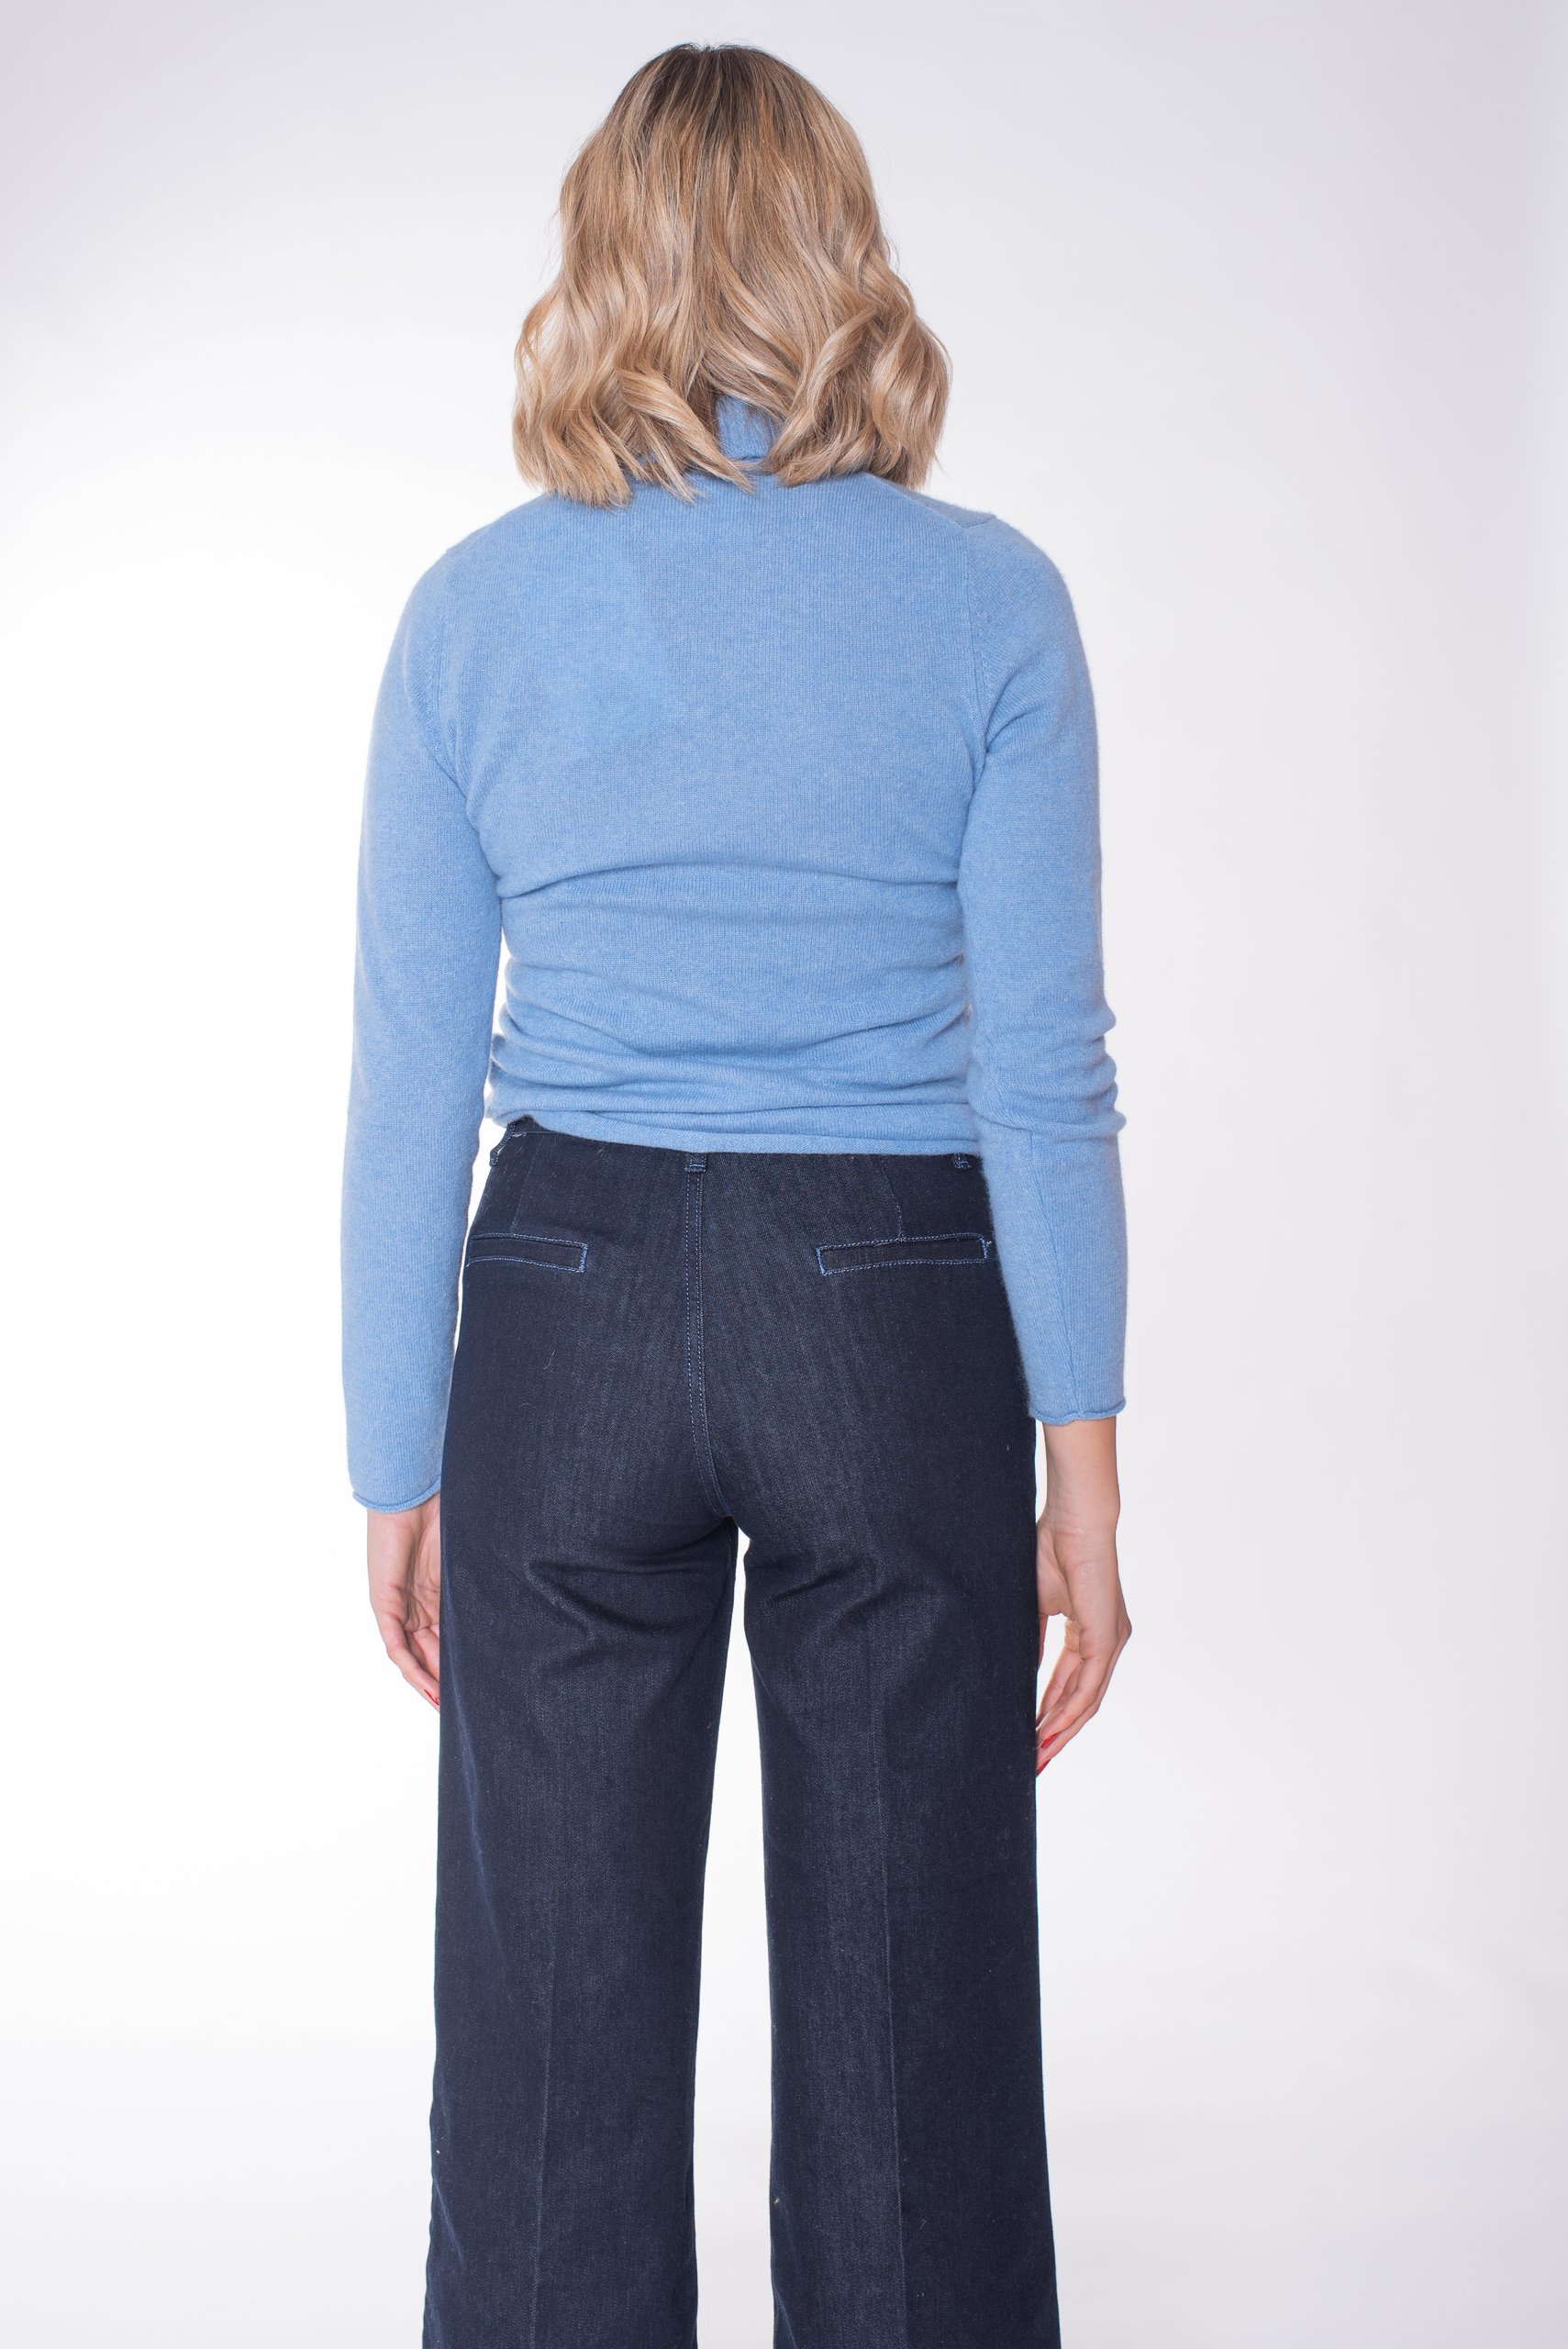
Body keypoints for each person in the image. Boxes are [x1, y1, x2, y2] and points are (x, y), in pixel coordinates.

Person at [341, 40, 1131, 2349]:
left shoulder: (475, 612)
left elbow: (410, 1080)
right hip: (891, 1303)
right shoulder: (992, 606)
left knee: (549, 2036)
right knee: (915, 2011)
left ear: (603, 263)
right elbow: (1044, 1068)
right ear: (838, 256)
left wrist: (398, 1461)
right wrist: (1081, 1469)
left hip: (565, 1305)